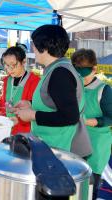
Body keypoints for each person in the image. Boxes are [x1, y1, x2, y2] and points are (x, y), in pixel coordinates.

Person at [13, 25, 90, 156]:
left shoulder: (60, 73)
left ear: (45, 48)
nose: (33, 49)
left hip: (61, 150)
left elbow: (70, 116)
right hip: (54, 147)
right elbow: (57, 100)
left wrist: (32, 115)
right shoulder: (57, 69)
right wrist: (31, 103)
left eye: (35, 45)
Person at [71, 48, 112, 200]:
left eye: (84, 72)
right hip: (76, 142)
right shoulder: (74, 87)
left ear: (95, 68)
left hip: (97, 145)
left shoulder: (104, 90)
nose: (81, 77)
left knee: (91, 187)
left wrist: (91, 121)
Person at [0, 46, 40, 135]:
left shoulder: (35, 81)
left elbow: (37, 109)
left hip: (26, 133)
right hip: (6, 130)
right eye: (7, 65)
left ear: (23, 61)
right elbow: (3, 101)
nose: (9, 69)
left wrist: (19, 120)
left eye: (13, 65)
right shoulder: (7, 80)